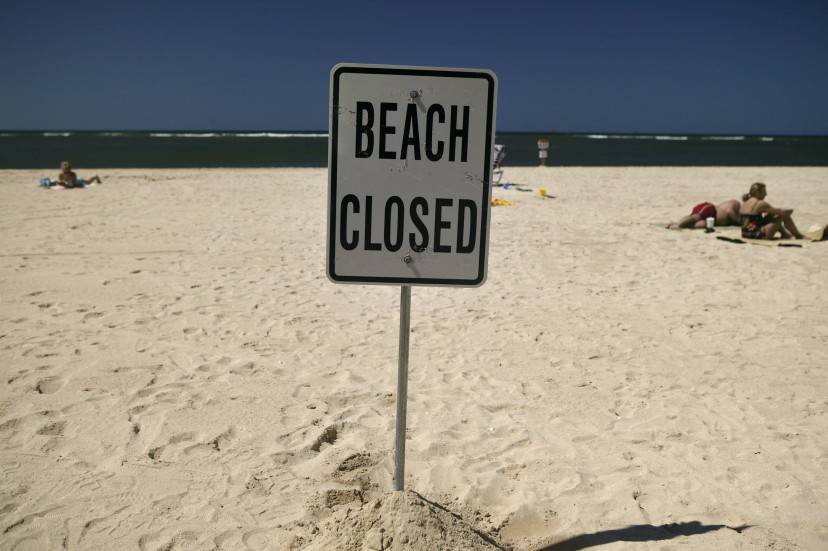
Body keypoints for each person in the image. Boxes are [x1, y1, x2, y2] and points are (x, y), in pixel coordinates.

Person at [666, 199, 741, 230]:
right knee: (695, 217)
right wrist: (739, 221)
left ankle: (676, 224)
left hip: (712, 219)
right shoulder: (736, 204)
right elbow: (729, 211)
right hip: (710, 209)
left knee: (701, 224)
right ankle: (679, 224)